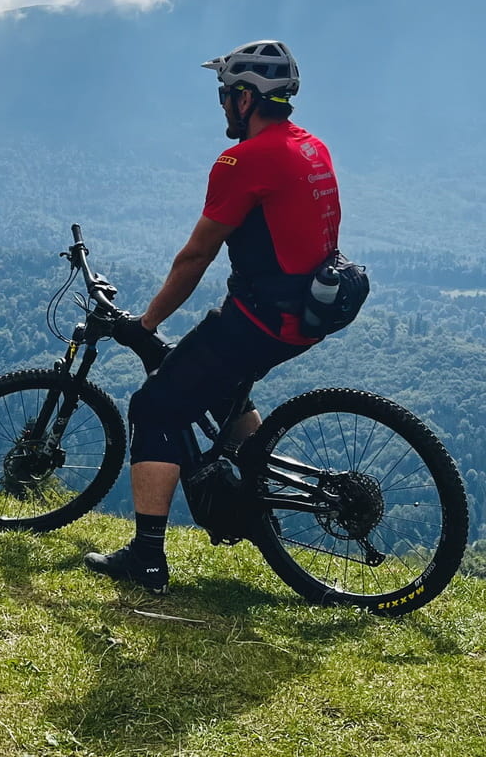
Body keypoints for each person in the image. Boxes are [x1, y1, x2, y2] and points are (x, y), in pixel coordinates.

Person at [85, 39, 341, 594]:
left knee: (154, 406)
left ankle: (146, 557)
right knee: (221, 388)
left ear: (246, 98)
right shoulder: (311, 146)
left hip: (264, 318)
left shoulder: (241, 159)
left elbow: (196, 255)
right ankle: (250, 500)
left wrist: (147, 323)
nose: (222, 104)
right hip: (310, 315)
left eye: (226, 94)